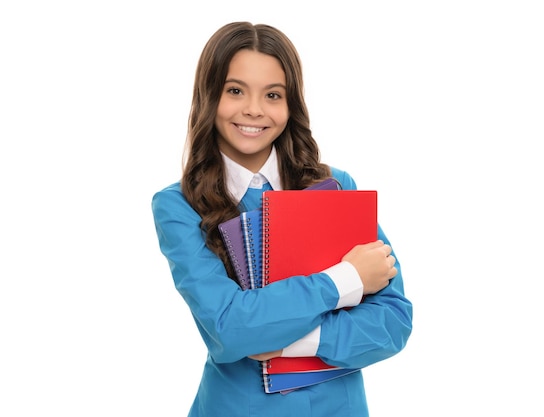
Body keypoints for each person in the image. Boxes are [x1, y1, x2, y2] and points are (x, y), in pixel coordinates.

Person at [151, 21, 413, 417]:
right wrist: (347, 279)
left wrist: (290, 342)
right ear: (209, 97)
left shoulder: (335, 186)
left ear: (291, 106)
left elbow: (393, 323)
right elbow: (229, 329)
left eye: (273, 94)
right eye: (235, 90)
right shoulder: (178, 205)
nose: (254, 109)